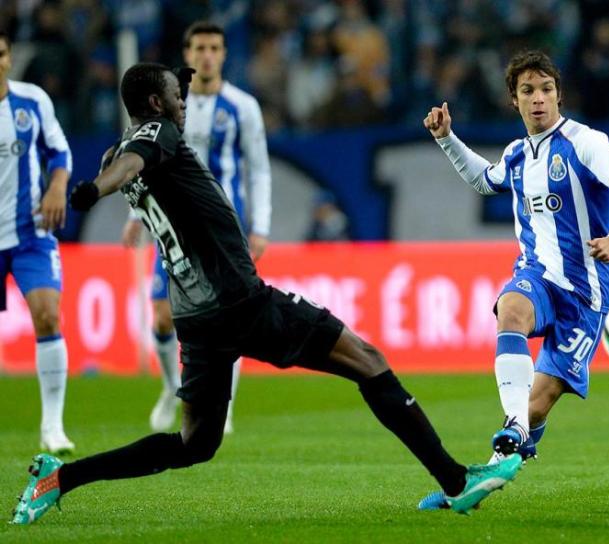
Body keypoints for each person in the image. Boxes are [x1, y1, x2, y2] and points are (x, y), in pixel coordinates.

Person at [11, 62, 523, 525]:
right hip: (239, 301)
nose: (184, 103)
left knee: (195, 443)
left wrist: (166, 97)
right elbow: (132, 161)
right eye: (176, 96)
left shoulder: (125, 145)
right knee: (367, 360)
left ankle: (60, 478)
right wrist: (94, 189)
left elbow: (131, 158)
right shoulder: (153, 137)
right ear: (153, 104)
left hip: (197, 318)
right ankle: (455, 481)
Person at [417, 50, 609, 509]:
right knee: (511, 308)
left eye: (546, 89)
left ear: (559, 95)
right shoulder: (516, 155)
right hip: (537, 277)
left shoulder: (586, 143)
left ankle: (483, 478)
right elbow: (485, 180)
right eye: (528, 91)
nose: (539, 99)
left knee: (537, 406)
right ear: (515, 99)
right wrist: (447, 139)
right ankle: (512, 428)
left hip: (586, 293)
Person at [121, 21, 272, 435]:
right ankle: (174, 388)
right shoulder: (166, 104)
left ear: (223, 54)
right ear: (187, 55)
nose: (207, 56)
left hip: (223, 229)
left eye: (214, 48)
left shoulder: (242, 107)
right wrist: (135, 216)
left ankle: (226, 408)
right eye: (200, 48)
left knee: (230, 315)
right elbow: (142, 160)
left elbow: (258, 168)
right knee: (162, 317)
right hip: (172, 226)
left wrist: (261, 225)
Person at [0, 30, 74, 455]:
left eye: (0, 54)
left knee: (47, 316)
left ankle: (52, 426)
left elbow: (59, 152)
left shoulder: (32, 101)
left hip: (31, 233)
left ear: (10, 58)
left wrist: (57, 188)